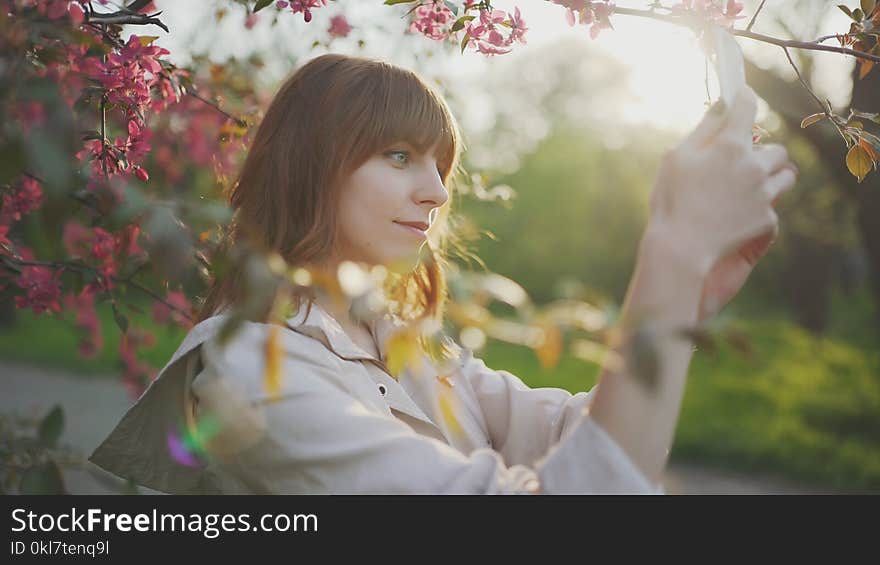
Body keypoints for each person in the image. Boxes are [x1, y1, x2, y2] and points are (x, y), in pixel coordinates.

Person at [89, 53, 797, 494]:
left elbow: (574, 435)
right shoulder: (249, 373)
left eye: (439, 164)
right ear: (310, 166)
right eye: (399, 155)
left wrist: (686, 302)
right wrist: (668, 254)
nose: (435, 190)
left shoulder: (402, 341)